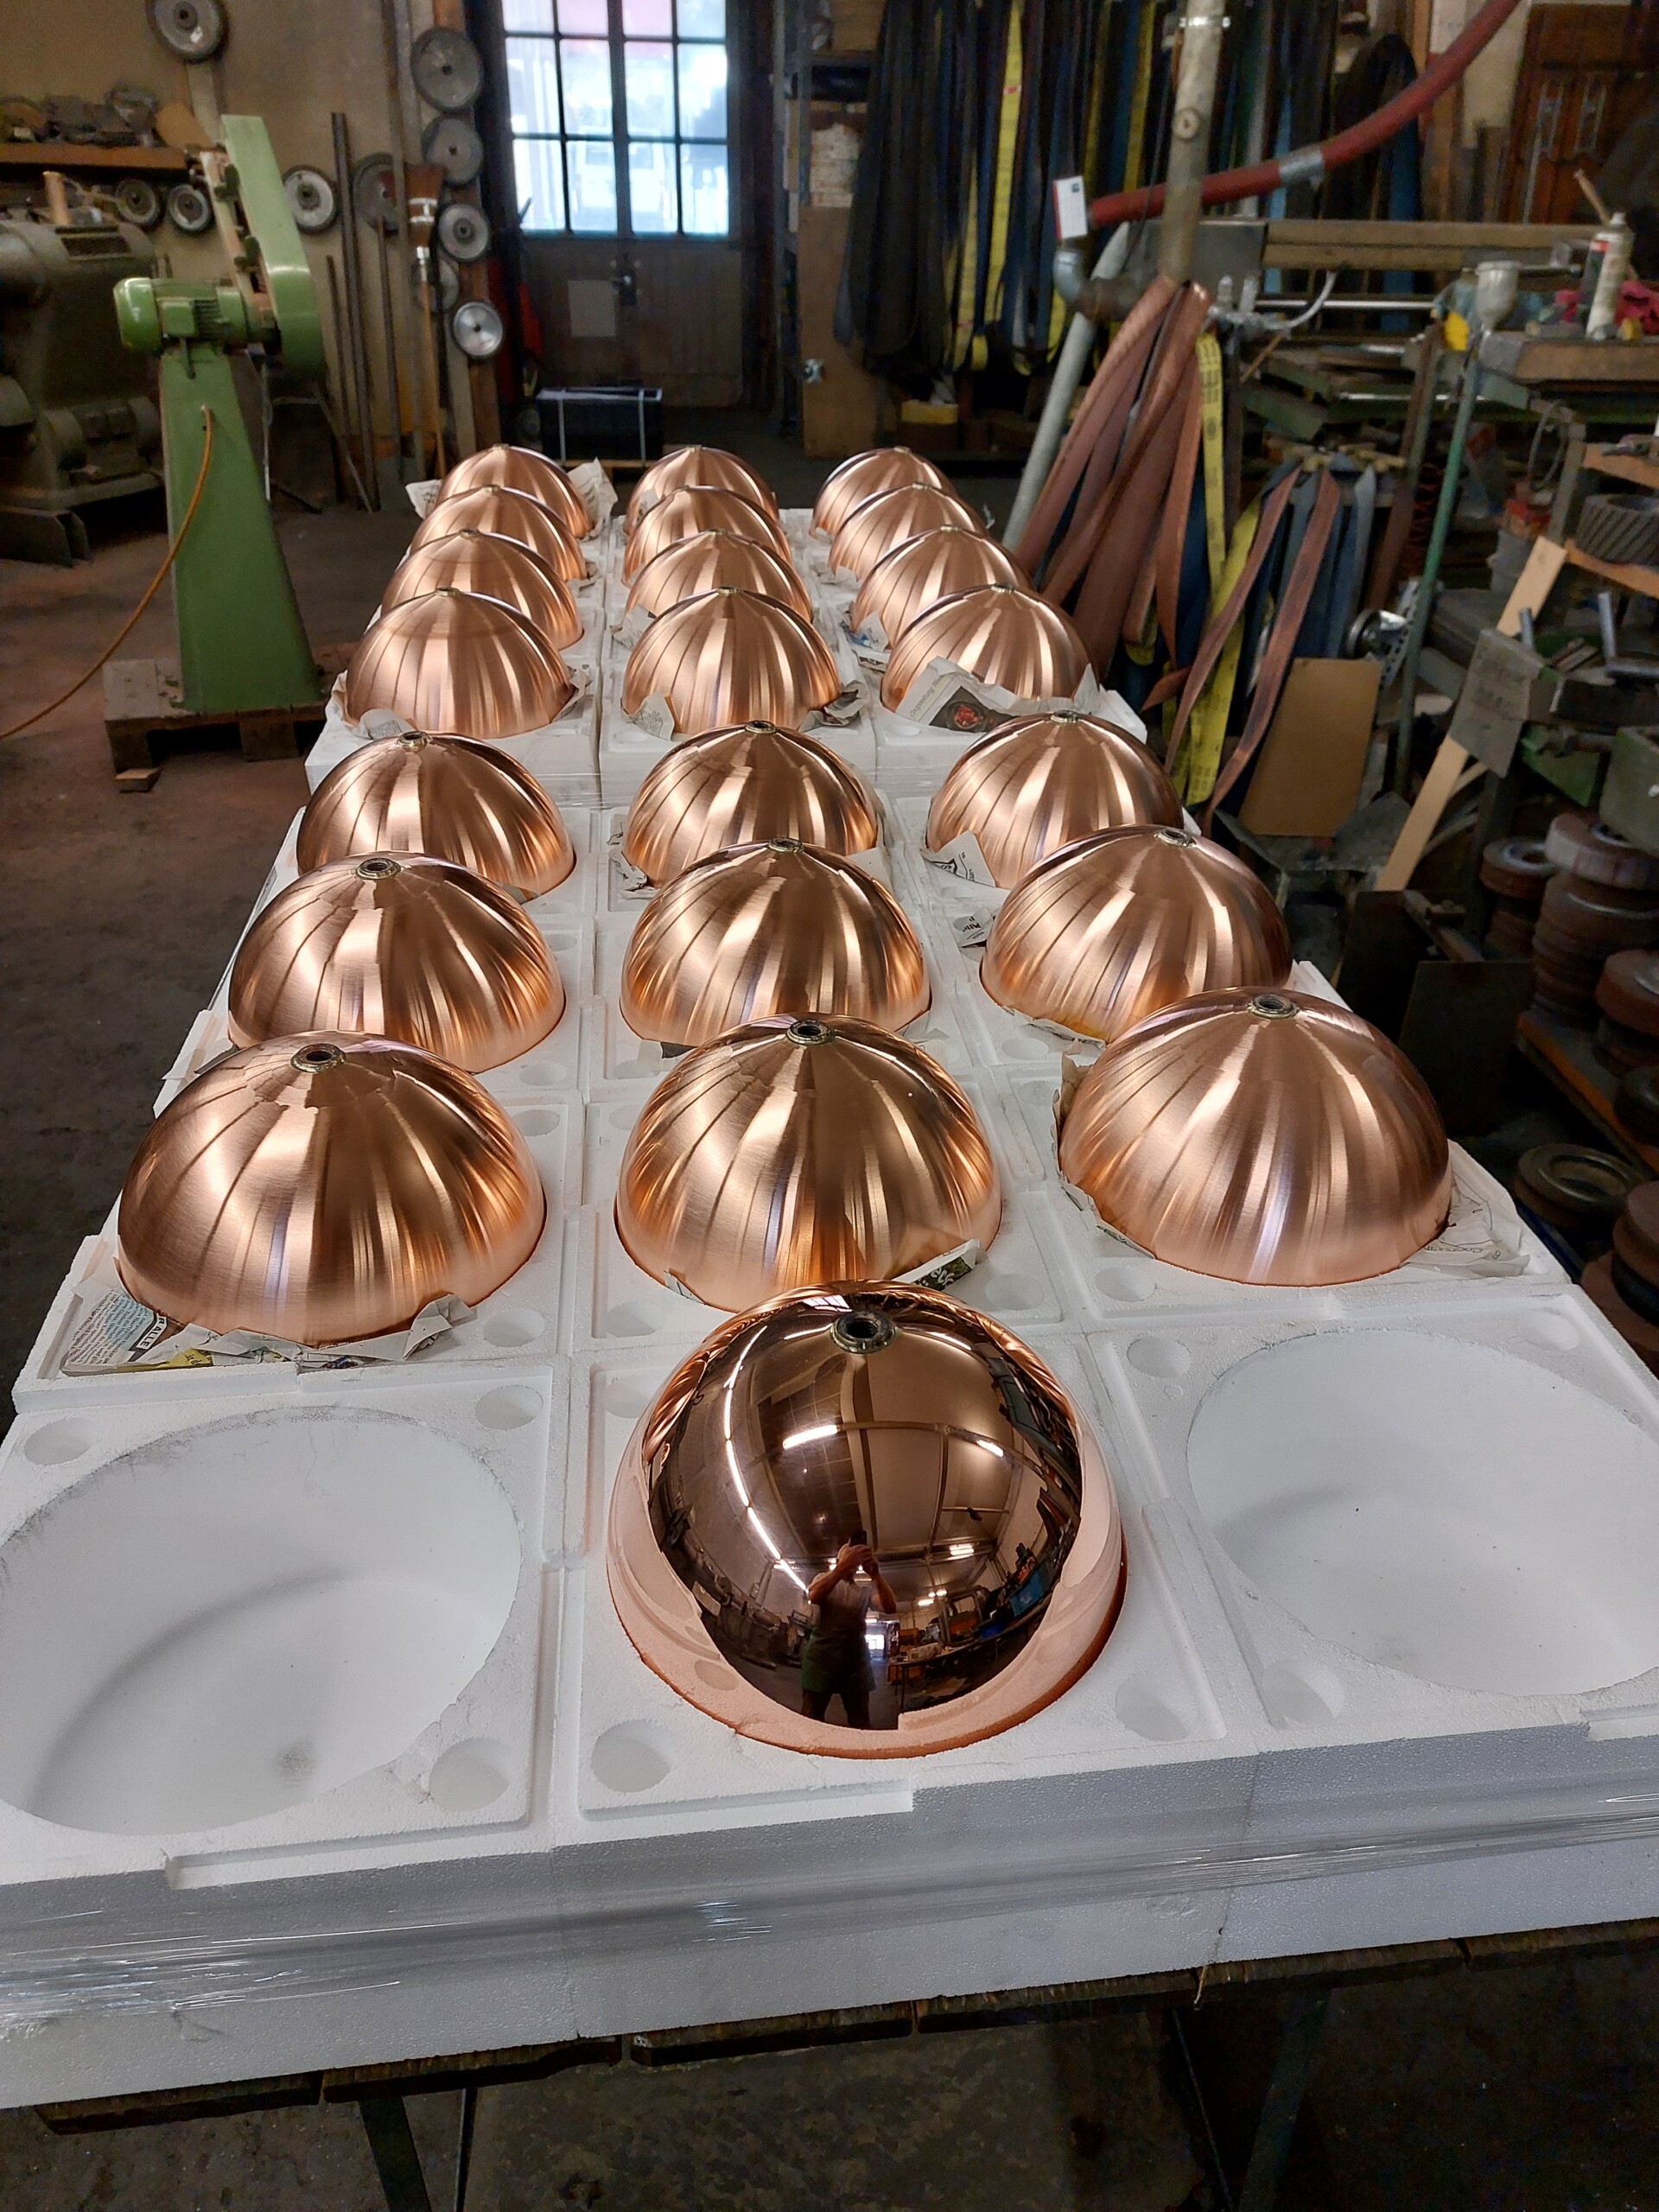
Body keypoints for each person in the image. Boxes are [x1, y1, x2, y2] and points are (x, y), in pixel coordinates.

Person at [800, 1529, 898, 1727]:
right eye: (849, 1556)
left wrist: (876, 1575)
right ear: (839, 1560)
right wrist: (840, 1568)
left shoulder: (863, 1591)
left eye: (856, 1558)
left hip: (855, 1662)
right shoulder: (823, 1578)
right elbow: (814, 1595)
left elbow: (890, 1608)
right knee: (811, 1717)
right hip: (822, 1658)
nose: (853, 1561)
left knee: (860, 1719)